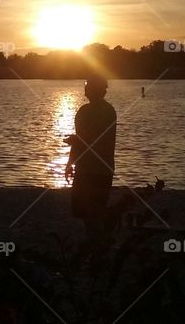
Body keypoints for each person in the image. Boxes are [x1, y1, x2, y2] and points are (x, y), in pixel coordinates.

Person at [65, 75, 117, 244]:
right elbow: (85, 140)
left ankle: (98, 245)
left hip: (92, 169)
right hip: (98, 169)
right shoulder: (106, 111)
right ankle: (97, 244)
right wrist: (70, 162)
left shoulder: (93, 112)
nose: (85, 88)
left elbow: (92, 140)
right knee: (91, 213)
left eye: (88, 86)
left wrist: (72, 158)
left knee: (92, 213)